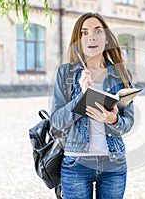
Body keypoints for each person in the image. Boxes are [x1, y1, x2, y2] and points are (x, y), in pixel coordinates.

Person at [51, 12, 134, 199]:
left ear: (106, 39)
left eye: (98, 31)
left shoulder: (121, 73)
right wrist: (80, 96)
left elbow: (128, 121)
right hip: (76, 164)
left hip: (114, 164)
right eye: (84, 33)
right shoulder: (65, 73)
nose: (92, 37)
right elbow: (56, 121)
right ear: (78, 41)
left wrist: (113, 119)